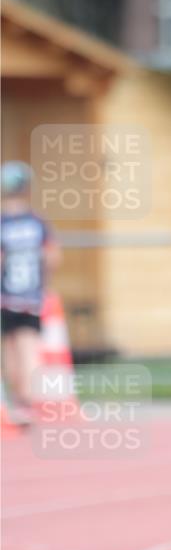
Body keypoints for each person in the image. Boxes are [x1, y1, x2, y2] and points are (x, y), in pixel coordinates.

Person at [1, 161, 61, 424]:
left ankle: (21, 399)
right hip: (31, 295)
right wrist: (42, 284)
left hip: (5, 295)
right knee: (28, 346)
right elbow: (52, 257)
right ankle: (28, 399)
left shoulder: (3, 222)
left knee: (10, 348)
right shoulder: (38, 222)